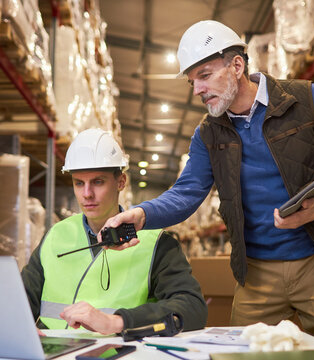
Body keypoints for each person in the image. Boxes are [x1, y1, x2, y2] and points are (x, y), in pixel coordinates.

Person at [102, 20, 314, 347]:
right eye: (192, 82)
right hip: (257, 273)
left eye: (204, 76)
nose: (197, 90)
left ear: (236, 65)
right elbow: (187, 193)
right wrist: (142, 215)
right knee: (242, 353)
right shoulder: (208, 134)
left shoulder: (306, 100)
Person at [21, 128, 207, 335]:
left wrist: (118, 321)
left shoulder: (157, 243)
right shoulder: (56, 234)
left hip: (117, 353)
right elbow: (21, 298)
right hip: (52, 352)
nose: (87, 194)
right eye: (79, 183)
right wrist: (17, 326)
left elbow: (192, 308)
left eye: (98, 182)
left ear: (121, 182)